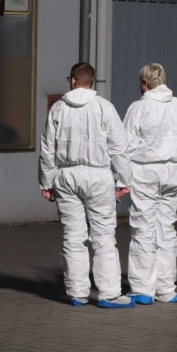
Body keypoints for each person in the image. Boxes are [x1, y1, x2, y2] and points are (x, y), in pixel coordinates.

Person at [39, 62, 135, 308]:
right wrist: (124, 180)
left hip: (66, 176)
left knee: (73, 237)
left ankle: (77, 293)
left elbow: (47, 148)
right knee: (103, 236)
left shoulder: (58, 109)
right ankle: (109, 294)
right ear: (91, 82)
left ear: (72, 80)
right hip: (98, 175)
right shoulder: (104, 107)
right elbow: (119, 147)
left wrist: (46, 182)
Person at [122, 63, 177, 305]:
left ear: (145, 84)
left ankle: (142, 289)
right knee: (166, 228)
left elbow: (125, 146)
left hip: (146, 171)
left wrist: (121, 179)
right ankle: (166, 289)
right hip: (173, 170)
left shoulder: (138, 108)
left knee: (143, 227)